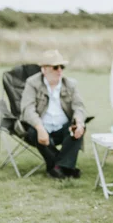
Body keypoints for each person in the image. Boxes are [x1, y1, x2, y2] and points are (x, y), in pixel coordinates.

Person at [21, 49, 86, 179]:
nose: (60, 70)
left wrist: (79, 122)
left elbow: (79, 106)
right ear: (44, 69)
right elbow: (27, 109)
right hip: (42, 129)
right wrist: (40, 127)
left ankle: (57, 168)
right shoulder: (32, 83)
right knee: (33, 131)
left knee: (77, 129)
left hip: (63, 129)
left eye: (62, 67)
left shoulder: (70, 84)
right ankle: (65, 167)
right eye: (55, 67)